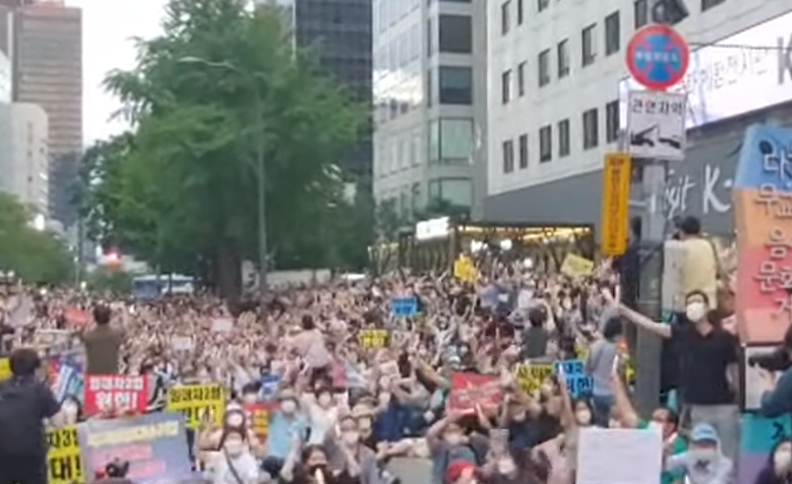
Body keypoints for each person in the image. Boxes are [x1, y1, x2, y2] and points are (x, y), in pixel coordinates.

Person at [614, 289, 739, 461]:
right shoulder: (683, 333)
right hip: (697, 408)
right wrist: (626, 312)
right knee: (702, 458)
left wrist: (738, 398)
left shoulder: (724, 338)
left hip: (724, 407)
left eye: (697, 301)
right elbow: (652, 326)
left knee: (728, 457)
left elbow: (734, 371)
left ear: (706, 307)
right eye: (689, 303)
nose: (693, 306)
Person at [0, 348, 63, 484]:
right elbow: (59, 423)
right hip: (31, 455)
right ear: (35, 367)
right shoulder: (40, 389)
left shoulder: (2, 387)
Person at [664, 423, 734, 484]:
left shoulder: (726, 465)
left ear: (716, 446)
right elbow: (666, 464)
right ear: (693, 446)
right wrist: (664, 452)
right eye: (700, 443)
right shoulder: (688, 456)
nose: (704, 447)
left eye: (708, 443)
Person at [82, 304, 125, 375]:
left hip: (93, 376)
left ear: (95, 318)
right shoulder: (116, 334)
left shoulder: (88, 336)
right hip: (111, 376)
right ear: (109, 317)